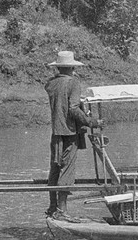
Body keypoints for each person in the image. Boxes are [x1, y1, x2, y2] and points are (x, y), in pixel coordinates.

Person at [44, 50, 102, 221]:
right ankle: (62, 211)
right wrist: (92, 121)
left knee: (55, 169)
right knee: (67, 170)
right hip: (69, 132)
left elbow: (64, 102)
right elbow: (73, 109)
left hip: (56, 132)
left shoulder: (51, 84)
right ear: (71, 67)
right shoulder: (73, 83)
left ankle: (53, 207)